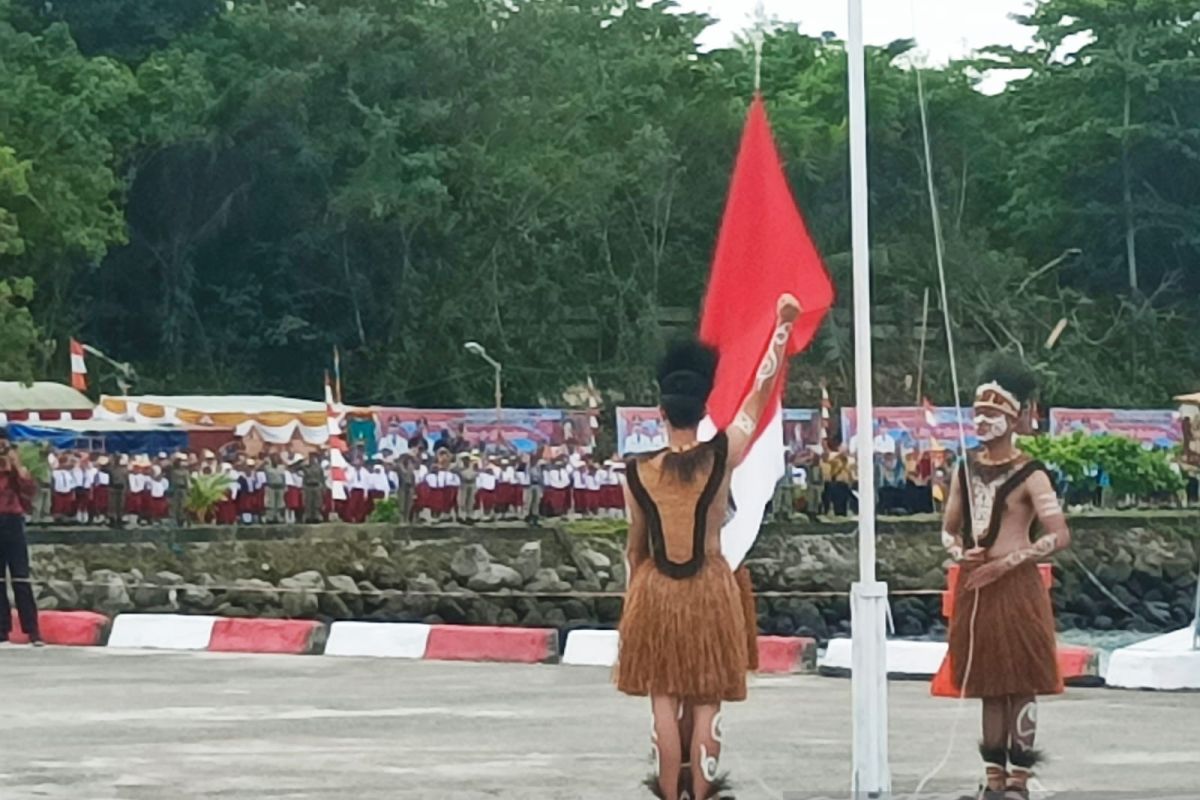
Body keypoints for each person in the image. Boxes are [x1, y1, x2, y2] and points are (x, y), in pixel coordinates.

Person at [617, 294, 799, 800]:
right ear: (703, 408)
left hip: (655, 590)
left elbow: (636, 548)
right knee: (706, 700)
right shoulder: (721, 455)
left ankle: (667, 794)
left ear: (660, 410)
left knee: (662, 696)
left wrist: (633, 598)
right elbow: (758, 396)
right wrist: (780, 328)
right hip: (710, 587)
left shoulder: (636, 472)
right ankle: (702, 792)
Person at [938, 355, 1071, 800]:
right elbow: (947, 529)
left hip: (1015, 587)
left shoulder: (1031, 474)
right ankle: (993, 779)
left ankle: (1019, 781)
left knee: (1021, 682)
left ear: (1013, 419)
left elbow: (1059, 534)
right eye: (978, 412)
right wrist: (961, 554)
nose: (983, 420)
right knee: (988, 685)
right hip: (978, 586)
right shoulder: (964, 468)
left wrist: (1007, 563)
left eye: (993, 413)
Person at [0, 437, 40, 646]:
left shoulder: (15, 472)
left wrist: (15, 466)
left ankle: (32, 631)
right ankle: (2, 630)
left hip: (13, 520)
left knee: (20, 578)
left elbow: (29, 489)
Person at [262, 454, 287, 524]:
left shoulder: (281, 467)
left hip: (280, 487)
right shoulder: (267, 467)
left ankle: (279, 518)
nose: (275, 461)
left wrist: (285, 486)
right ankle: (270, 518)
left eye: (276, 459)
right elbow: (257, 469)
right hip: (271, 487)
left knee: (280, 504)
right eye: (273, 459)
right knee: (271, 504)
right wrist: (264, 461)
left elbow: (283, 477)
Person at [302, 454, 326, 524]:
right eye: (310, 459)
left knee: (317, 503)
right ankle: (308, 517)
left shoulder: (319, 468)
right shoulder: (306, 468)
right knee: (308, 503)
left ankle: (316, 517)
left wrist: (323, 487)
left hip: (317, 486)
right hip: (308, 486)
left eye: (313, 458)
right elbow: (304, 478)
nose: (312, 460)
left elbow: (322, 478)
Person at [169, 454, 191, 527]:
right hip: (176, 489)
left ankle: (184, 520)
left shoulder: (185, 472)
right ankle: (177, 520)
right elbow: (172, 481)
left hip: (183, 489)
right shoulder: (173, 471)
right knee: (176, 506)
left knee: (183, 505)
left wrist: (188, 491)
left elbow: (187, 482)